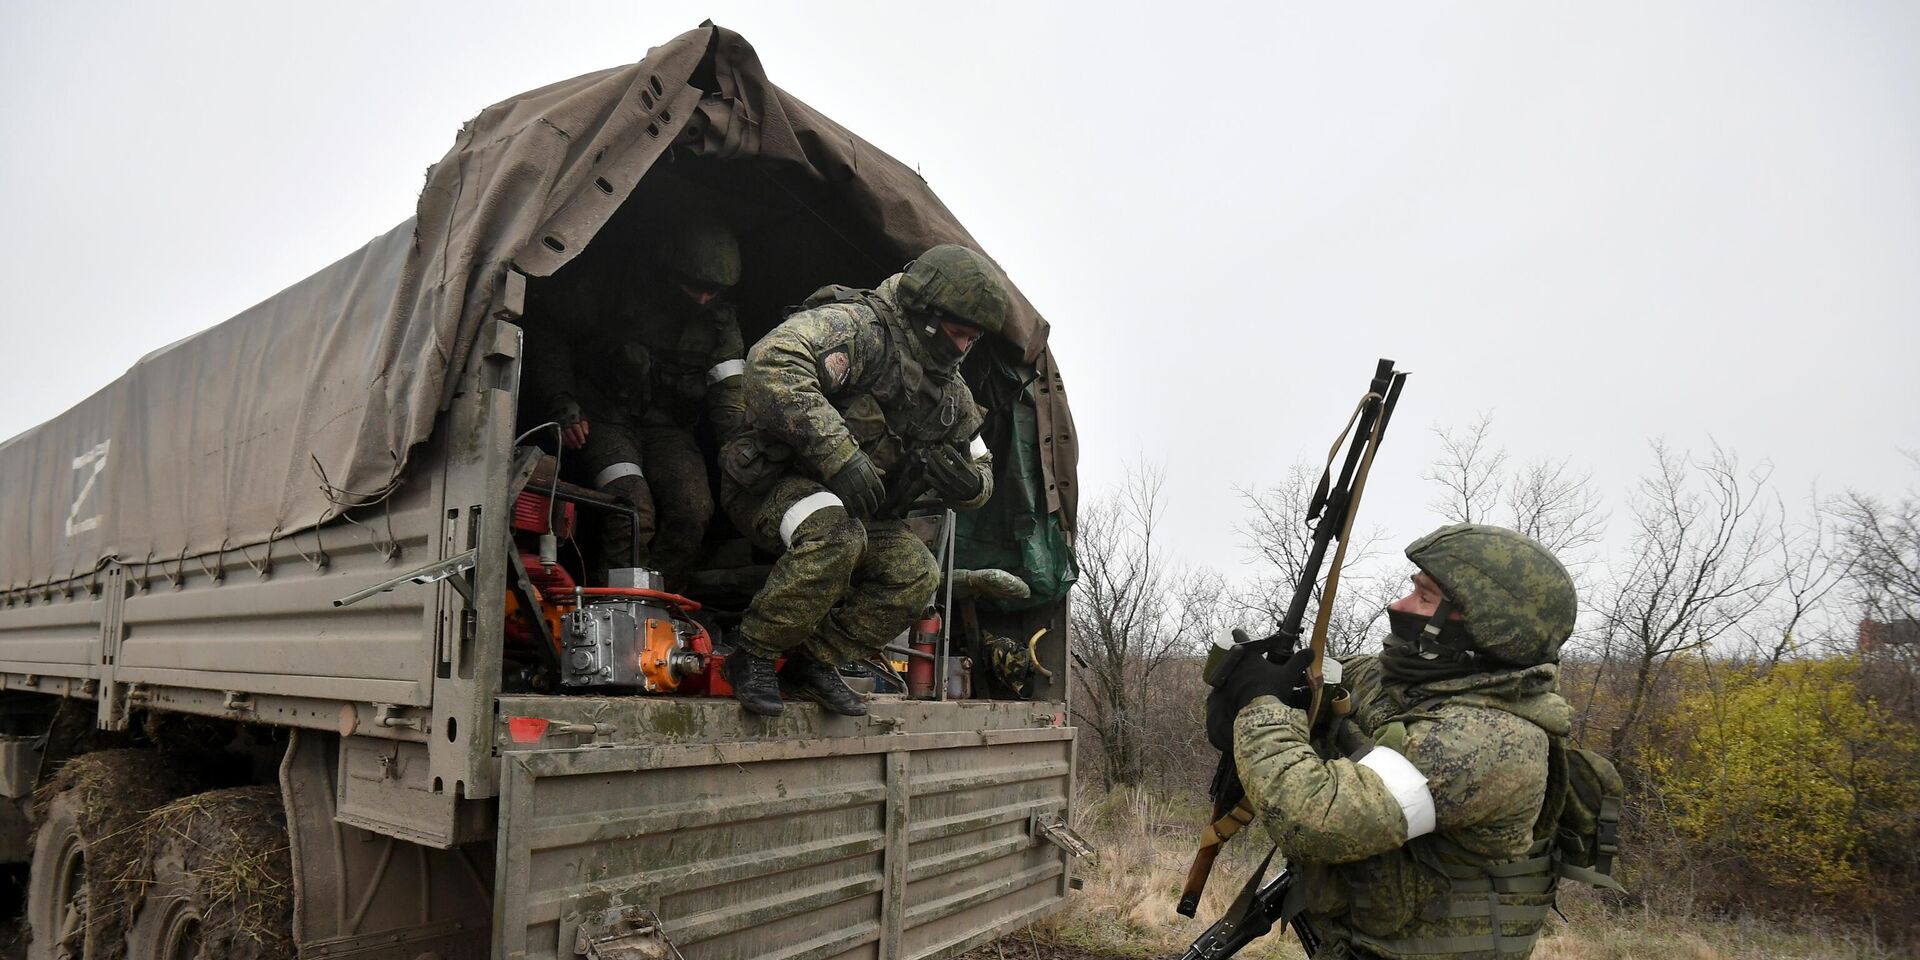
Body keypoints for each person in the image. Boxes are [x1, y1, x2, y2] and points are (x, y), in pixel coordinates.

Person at [1206, 524, 1579, 959]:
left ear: (1484, 626)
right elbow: (1322, 680)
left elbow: (1315, 817)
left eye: (1424, 597)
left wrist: (1260, 707)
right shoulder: (1411, 684)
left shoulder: (1489, 742)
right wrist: (1249, 682)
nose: (1397, 606)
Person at [716, 244, 1006, 717]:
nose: (962, 348)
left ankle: (813, 664)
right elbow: (773, 362)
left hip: (857, 509)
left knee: (916, 573)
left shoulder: (951, 394)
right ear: (926, 314)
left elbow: (983, 465)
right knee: (836, 534)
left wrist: (971, 487)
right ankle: (754, 653)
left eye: (971, 340)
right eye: (957, 334)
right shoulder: (861, 329)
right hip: (773, 485)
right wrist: (839, 455)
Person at [521, 218, 749, 578]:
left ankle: (660, 607)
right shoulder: (617, 290)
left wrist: (740, 456)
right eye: (694, 286)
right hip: (607, 417)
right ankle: (615, 615)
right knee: (631, 509)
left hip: (669, 430)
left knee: (692, 512)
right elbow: (551, 331)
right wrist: (562, 403)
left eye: (713, 290)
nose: (704, 298)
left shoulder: (720, 323)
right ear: (670, 270)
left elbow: (729, 398)